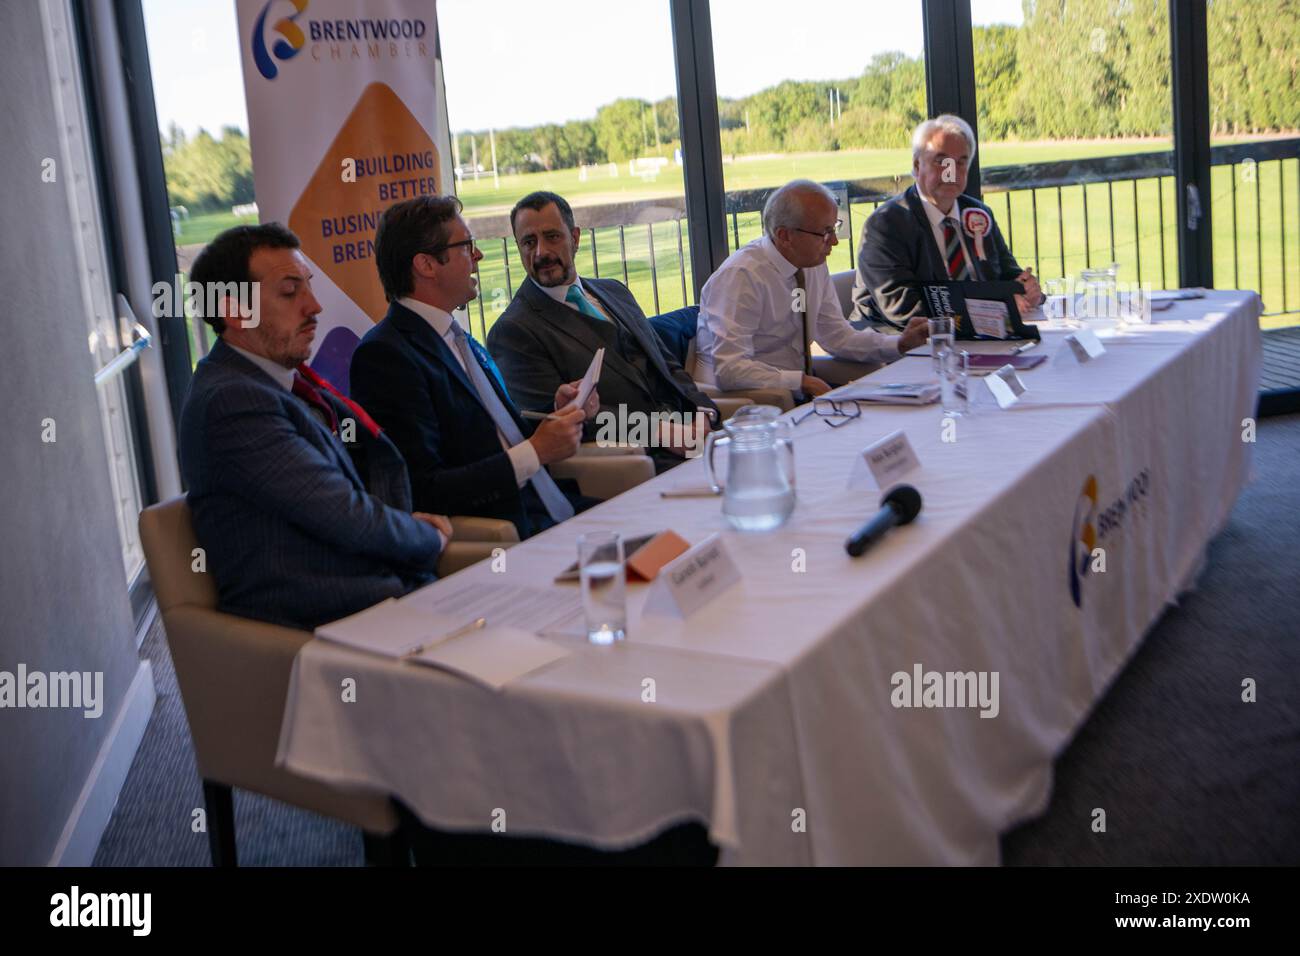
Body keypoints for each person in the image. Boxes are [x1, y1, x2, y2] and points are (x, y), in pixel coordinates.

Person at [179, 223, 449, 631]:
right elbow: (346, 515)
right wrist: (427, 537)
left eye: (308, 286)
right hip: (327, 623)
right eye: (290, 292)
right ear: (235, 310)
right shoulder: (233, 403)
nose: (314, 306)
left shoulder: (272, 382)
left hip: (378, 596)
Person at [350, 196, 596, 540]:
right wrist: (535, 451)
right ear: (426, 265)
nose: (478, 256)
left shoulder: (457, 338)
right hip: (510, 534)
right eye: (467, 245)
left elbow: (493, 435)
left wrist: (556, 413)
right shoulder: (385, 357)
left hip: (559, 509)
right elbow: (423, 489)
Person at [488, 191, 719, 471]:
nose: (541, 253)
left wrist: (701, 412)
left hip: (697, 435)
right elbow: (555, 421)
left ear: (575, 238)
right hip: (642, 459)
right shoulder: (513, 331)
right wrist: (657, 432)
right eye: (529, 242)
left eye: (552, 237)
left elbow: (667, 364)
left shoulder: (614, 291)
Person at [696, 179, 928, 398]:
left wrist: (899, 343)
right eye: (824, 233)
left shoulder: (811, 265)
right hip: (747, 403)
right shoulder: (741, 277)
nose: (834, 242)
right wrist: (800, 382)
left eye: (834, 228)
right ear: (785, 235)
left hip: (796, 389)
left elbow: (838, 337)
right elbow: (730, 369)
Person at [851, 113, 1044, 330]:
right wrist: (993, 311)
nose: (951, 173)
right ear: (916, 166)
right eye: (941, 161)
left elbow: (1008, 276)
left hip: (978, 339)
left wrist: (1026, 290)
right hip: (899, 344)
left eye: (961, 163)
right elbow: (902, 307)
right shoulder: (886, 225)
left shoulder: (978, 213)